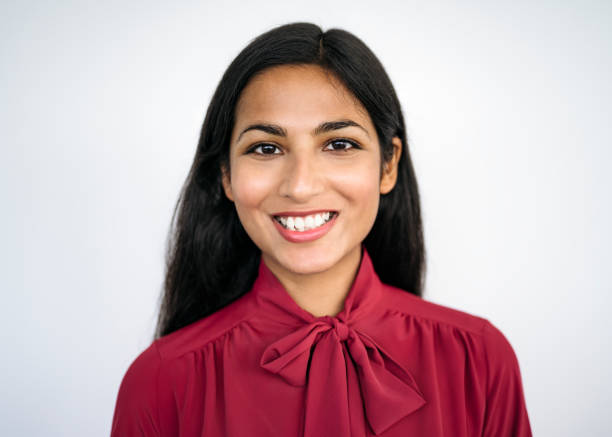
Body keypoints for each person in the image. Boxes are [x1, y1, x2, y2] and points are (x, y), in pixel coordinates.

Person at [110, 22, 532, 436]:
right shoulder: (161, 382)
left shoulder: (478, 359)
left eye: (339, 144)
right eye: (266, 148)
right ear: (226, 175)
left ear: (388, 165)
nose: (300, 186)